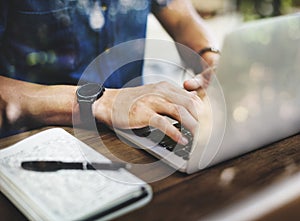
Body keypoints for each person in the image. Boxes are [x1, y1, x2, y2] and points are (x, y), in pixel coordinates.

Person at [0, 0, 220, 144]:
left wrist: (211, 58)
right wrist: (102, 102)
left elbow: (182, 18)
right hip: (35, 142)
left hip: (138, 130)